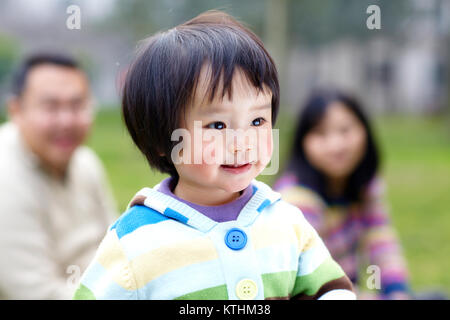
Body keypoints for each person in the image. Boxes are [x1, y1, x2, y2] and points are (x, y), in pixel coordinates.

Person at [73, 11, 355, 300]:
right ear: (163, 139)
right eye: (218, 125)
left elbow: (332, 291)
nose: (243, 142)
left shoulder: (285, 221)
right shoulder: (135, 242)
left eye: (257, 121)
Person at [273, 89, 411, 299]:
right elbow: (309, 284)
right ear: (303, 142)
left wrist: (398, 291)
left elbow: (381, 241)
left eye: (345, 130)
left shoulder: (364, 184)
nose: (336, 145)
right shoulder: (296, 201)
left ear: (364, 129)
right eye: (321, 134)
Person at [0, 54, 117, 299]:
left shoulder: (85, 162)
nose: (66, 121)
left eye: (77, 105)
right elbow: (37, 295)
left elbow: (118, 246)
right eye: (51, 107)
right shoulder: (5, 175)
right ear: (16, 111)